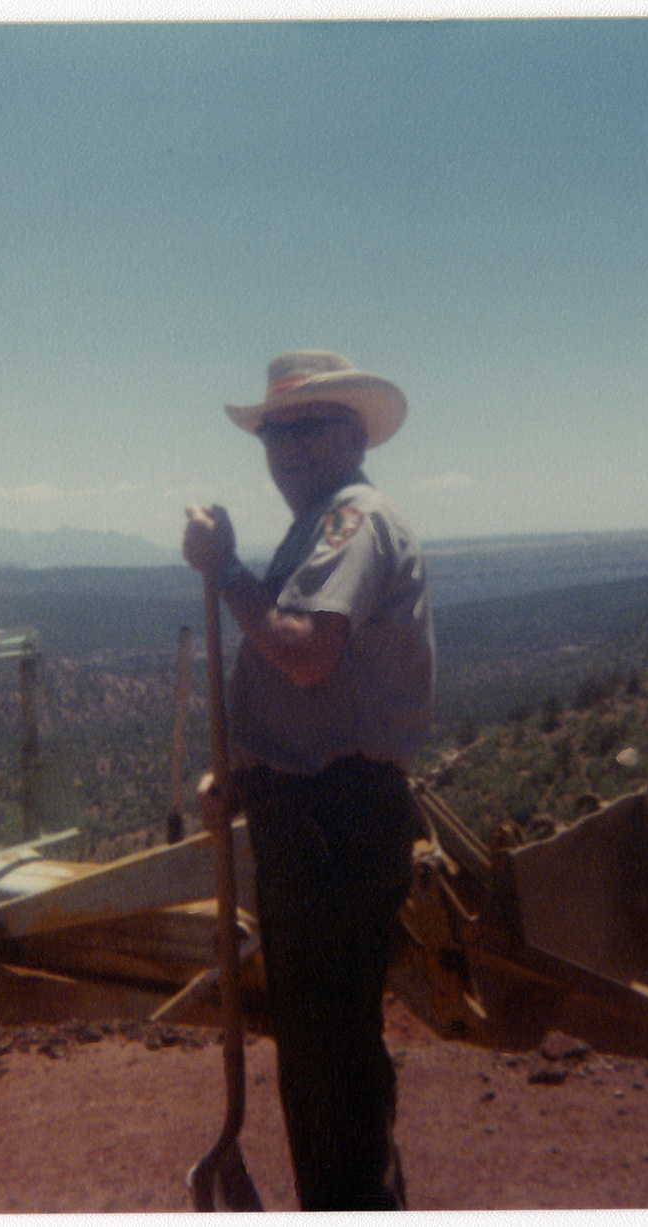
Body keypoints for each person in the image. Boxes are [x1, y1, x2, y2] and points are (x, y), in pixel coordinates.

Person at [182, 350, 434, 1210]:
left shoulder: (351, 521)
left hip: (335, 823)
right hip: (315, 813)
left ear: (354, 434)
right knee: (327, 1054)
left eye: (307, 426)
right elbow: (321, 696)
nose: (285, 444)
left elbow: (306, 653)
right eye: (275, 430)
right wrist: (251, 777)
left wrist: (224, 572)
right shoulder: (319, 523)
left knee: (328, 1060)